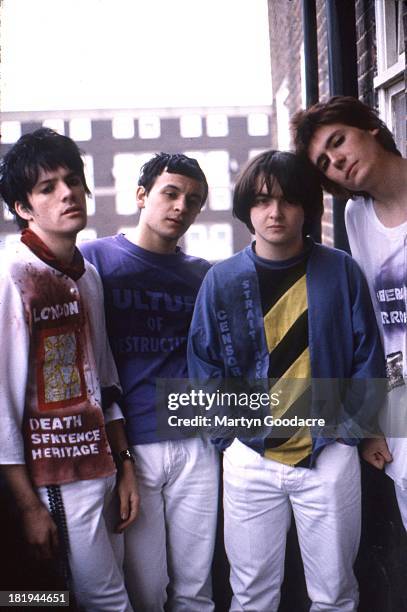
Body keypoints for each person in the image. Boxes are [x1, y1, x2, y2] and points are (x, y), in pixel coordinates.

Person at [187, 150, 385, 611]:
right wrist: (228, 438)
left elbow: (366, 357)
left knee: (335, 593)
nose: (275, 213)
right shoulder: (221, 279)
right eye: (261, 201)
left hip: (328, 452)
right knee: (252, 594)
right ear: (246, 210)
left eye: (288, 200)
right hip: (250, 459)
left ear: (307, 208)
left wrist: (347, 435)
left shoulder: (340, 271)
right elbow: (203, 364)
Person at [0, 128, 138, 612]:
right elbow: (0, 405)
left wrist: (124, 467)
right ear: (23, 207)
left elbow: (103, 375)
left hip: (100, 464)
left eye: (73, 180)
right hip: (54, 477)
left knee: (114, 591)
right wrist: (28, 505)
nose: (67, 193)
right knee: (101, 602)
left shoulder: (87, 272)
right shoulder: (12, 276)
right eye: (47, 187)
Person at [81, 153, 219, 612]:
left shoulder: (204, 274)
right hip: (130, 445)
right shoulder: (94, 260)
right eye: (171, 193)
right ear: (142, 196)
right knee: (144, 589)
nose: (182, 206)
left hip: (196, 441)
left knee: (196, 589)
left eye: (194, 200)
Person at [292, 95, 407, 529]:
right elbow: (374, 324)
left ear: (370, 127)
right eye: (324, 162)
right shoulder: (357, 217)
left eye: (338, 141)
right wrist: (374, 422)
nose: (336, 161)